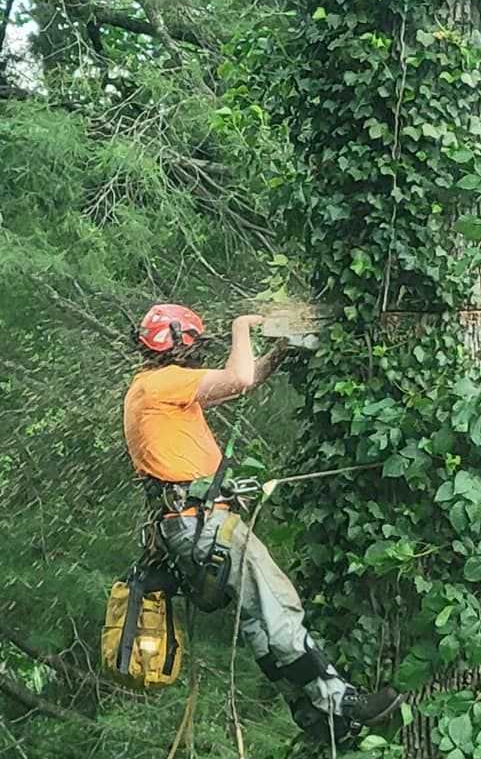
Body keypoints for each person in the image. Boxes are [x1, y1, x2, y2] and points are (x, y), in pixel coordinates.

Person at [123, 303, 403, 738]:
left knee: (256, 619)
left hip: (190, 526)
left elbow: (235, 386)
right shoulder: (163, 383)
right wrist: (242, 327)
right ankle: (340, 700)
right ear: (180, 344)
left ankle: (310, 716)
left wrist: (277, 354)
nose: (199, 352)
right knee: (279, 604)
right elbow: (240, 377)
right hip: (204, 524)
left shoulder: (153, 388)